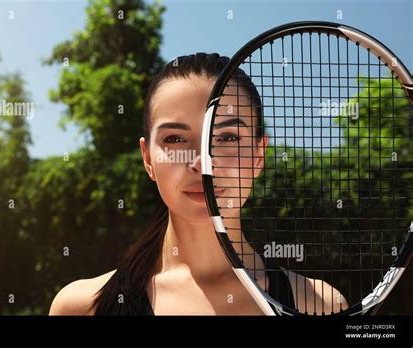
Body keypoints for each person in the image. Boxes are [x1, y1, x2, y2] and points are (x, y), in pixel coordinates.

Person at [49, 53, 347, 315]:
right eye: (176, 139)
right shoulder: (81, 307)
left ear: (259, 155)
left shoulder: (320, 305)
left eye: (228, 138)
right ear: (148, 158)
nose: (202, 163)